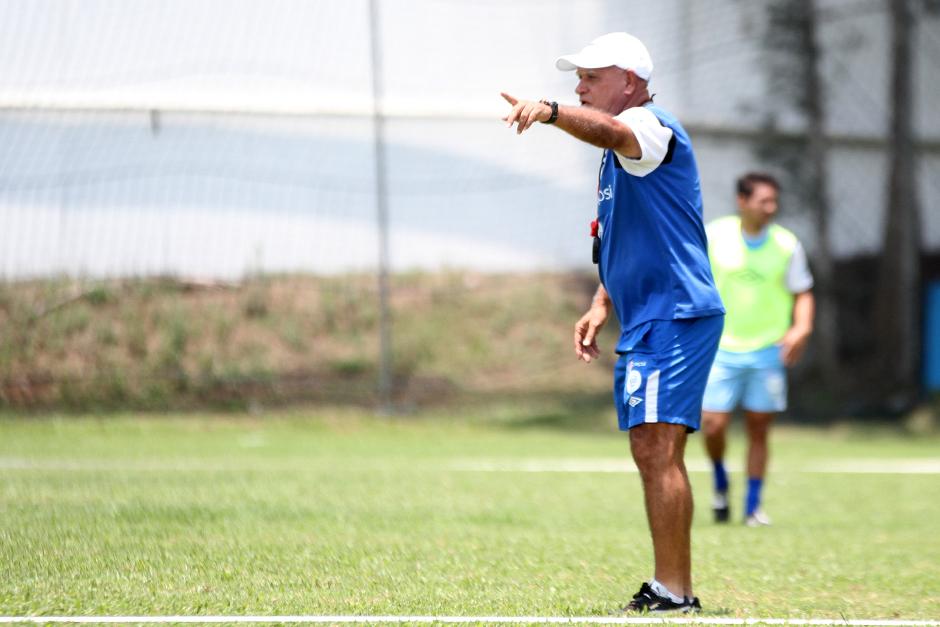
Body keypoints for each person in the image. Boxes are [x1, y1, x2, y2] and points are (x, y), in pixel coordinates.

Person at [502, 32, 724, 613]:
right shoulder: (619, 156)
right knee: (650, 448)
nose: (578, 87)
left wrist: (551, 113)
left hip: (675, 312)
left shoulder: (651, 127)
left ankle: (674, 592)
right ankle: (670, 587)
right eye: (576, 80)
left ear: (629, 81)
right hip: (652, 315)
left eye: (590, 77)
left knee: (657, 446)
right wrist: (603, 302)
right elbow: (630, 236)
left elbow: (616, 131)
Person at [701, 173, 815, 527]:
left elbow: (803, 291)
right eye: (763, 201)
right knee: (712, 425)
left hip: (768, 349)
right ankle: (720, 481)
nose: (771, 208)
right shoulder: (714, 235)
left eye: (774, 201)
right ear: (742, 201)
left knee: (759, 428)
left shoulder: (786, 243)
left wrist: (802, 327)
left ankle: (752, 506)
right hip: (719, 347)